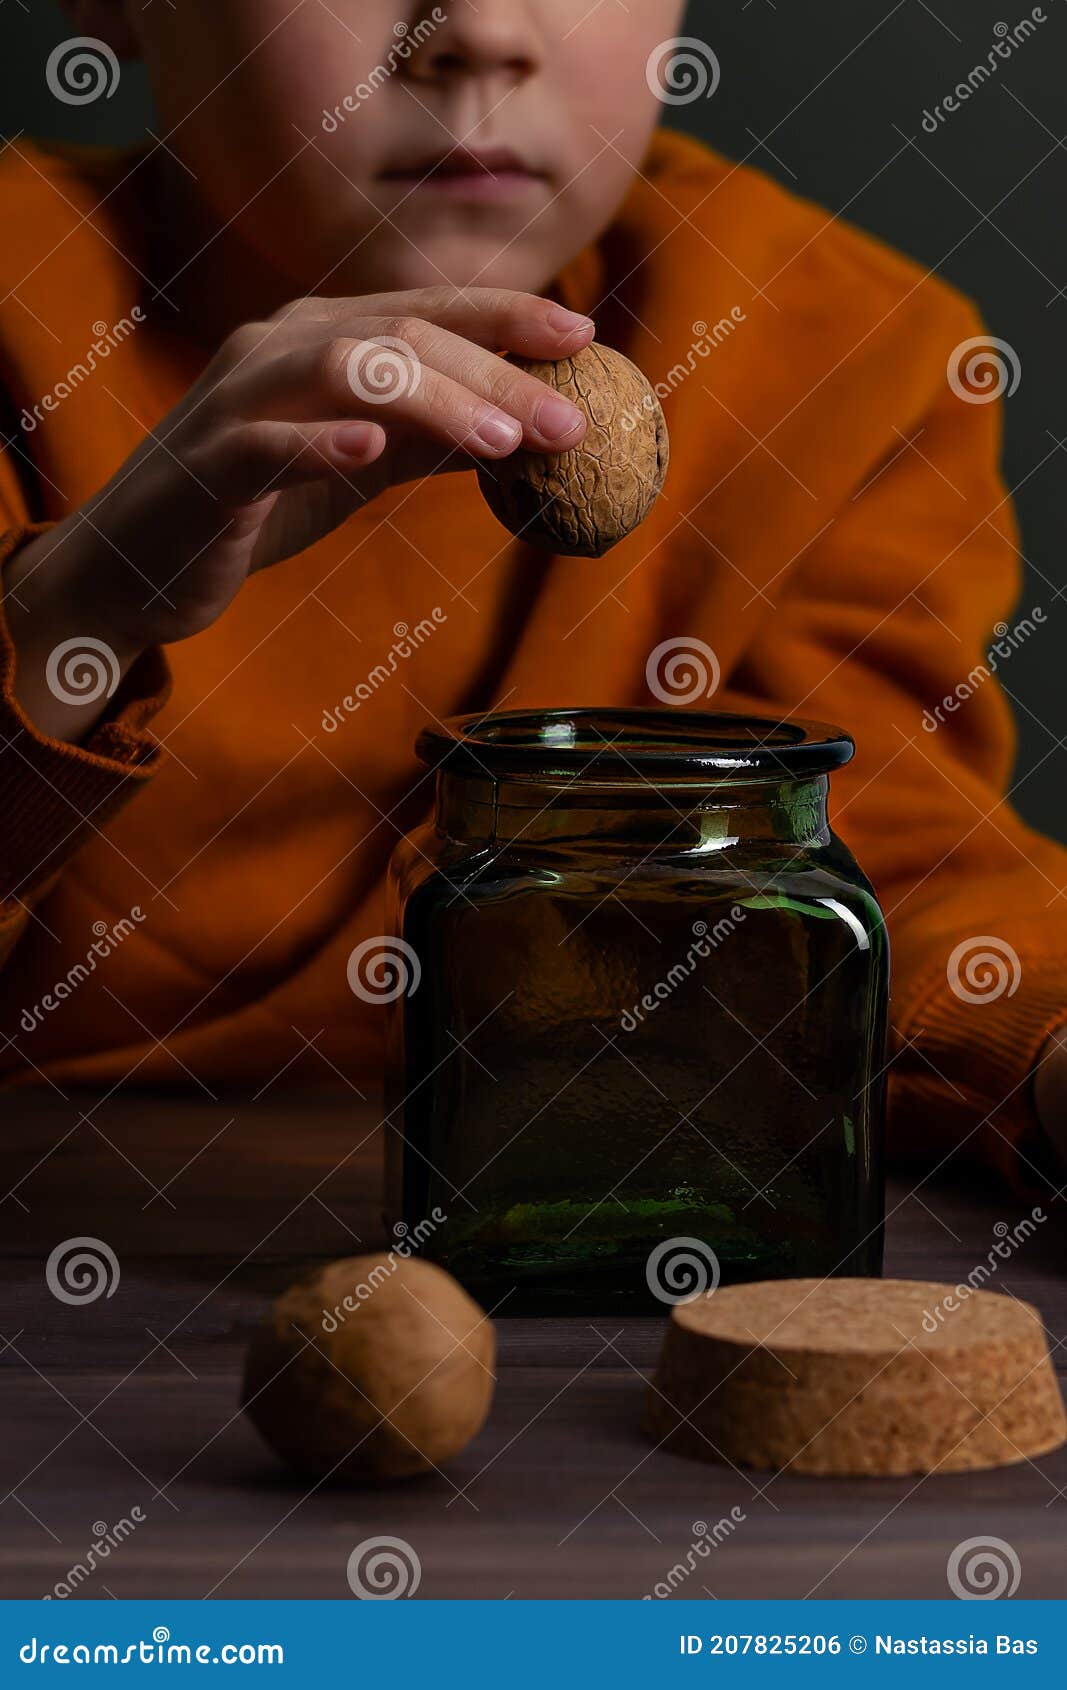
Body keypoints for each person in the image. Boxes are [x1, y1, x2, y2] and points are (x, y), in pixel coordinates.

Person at [1, 1, 1064, 1185]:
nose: (477, 32)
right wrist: (69, 614)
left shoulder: (846, 356)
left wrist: (1047, 1046)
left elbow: (903, 879)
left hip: (571, 1223)